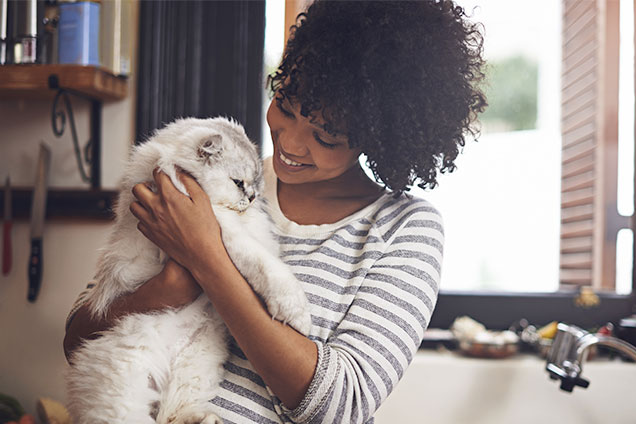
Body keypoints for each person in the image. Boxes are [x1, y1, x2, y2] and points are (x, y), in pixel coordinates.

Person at [63, 1, 486, 423]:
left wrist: (206, 258)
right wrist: (167, 290)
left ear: (376, 137)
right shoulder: (219, 177)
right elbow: (78, 337)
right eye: (286, 105)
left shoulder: (405, 229)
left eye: (325, 136)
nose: (292, 143)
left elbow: (341, 405)